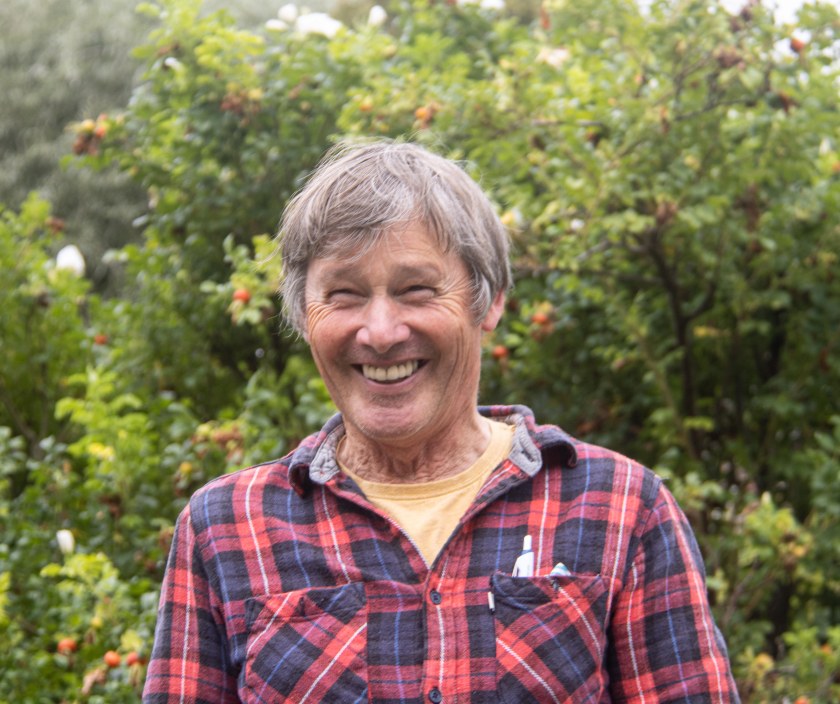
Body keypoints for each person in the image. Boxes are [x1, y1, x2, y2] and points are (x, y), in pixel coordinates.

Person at [142, 140, 740, 703]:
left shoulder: (622, 509)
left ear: (491, 300)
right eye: (344, 294)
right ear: (303, 312)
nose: (380, 332)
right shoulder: (225, 528)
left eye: (417, 289)